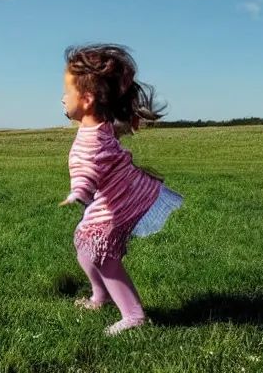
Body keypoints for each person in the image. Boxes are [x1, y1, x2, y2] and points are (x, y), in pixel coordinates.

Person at [59, 43, 183, 335]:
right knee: (85, 249)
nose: (63, 99)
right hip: (114, 198)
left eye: (67, 92)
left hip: (115, 204)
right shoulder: (99, 126)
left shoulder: (90, 140)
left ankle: (134, 316)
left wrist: (77, 191)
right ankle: (100, 295)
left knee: (104, 257)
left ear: (87, 100)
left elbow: (88, 169)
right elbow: (110, 137)